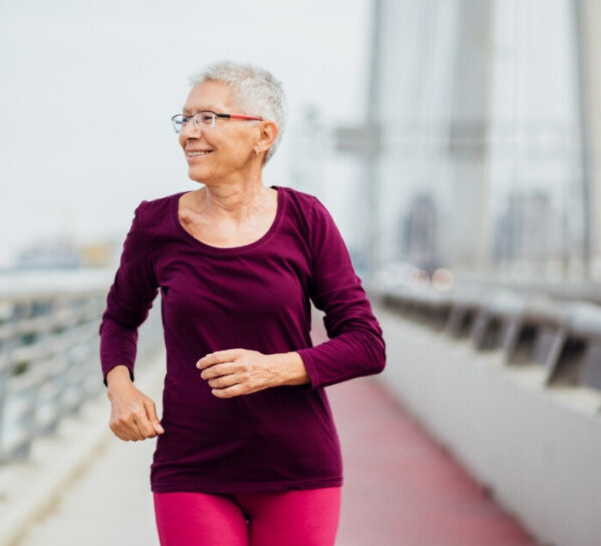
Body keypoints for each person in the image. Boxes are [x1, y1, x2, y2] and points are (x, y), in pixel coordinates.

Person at [99, 60, 386, 546]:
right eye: (185, 119)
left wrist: (274, 369)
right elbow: (120, 319)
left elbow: (366, 344)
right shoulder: (155, 223)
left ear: (262, 135)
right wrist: (121, 387)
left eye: (208, 118)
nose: (189, 133)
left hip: (297, 467)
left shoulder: (306, 219)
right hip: (192, 466)